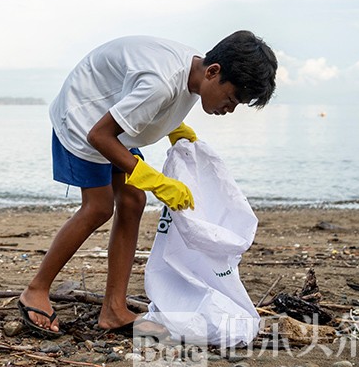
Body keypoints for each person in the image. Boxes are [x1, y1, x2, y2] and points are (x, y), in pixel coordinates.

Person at [18, 30, 277, 337]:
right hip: (84, 116)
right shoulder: (162, 81)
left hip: (114, 117)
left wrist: (175, 127)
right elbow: (100, 136)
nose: (229, 109)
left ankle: (113, 309)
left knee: (132, 201)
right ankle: (36, 289)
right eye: (232, 99)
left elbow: (152, 99)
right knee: (99, 207)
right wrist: (156, 181)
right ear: (213, 71)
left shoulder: (194, 71)